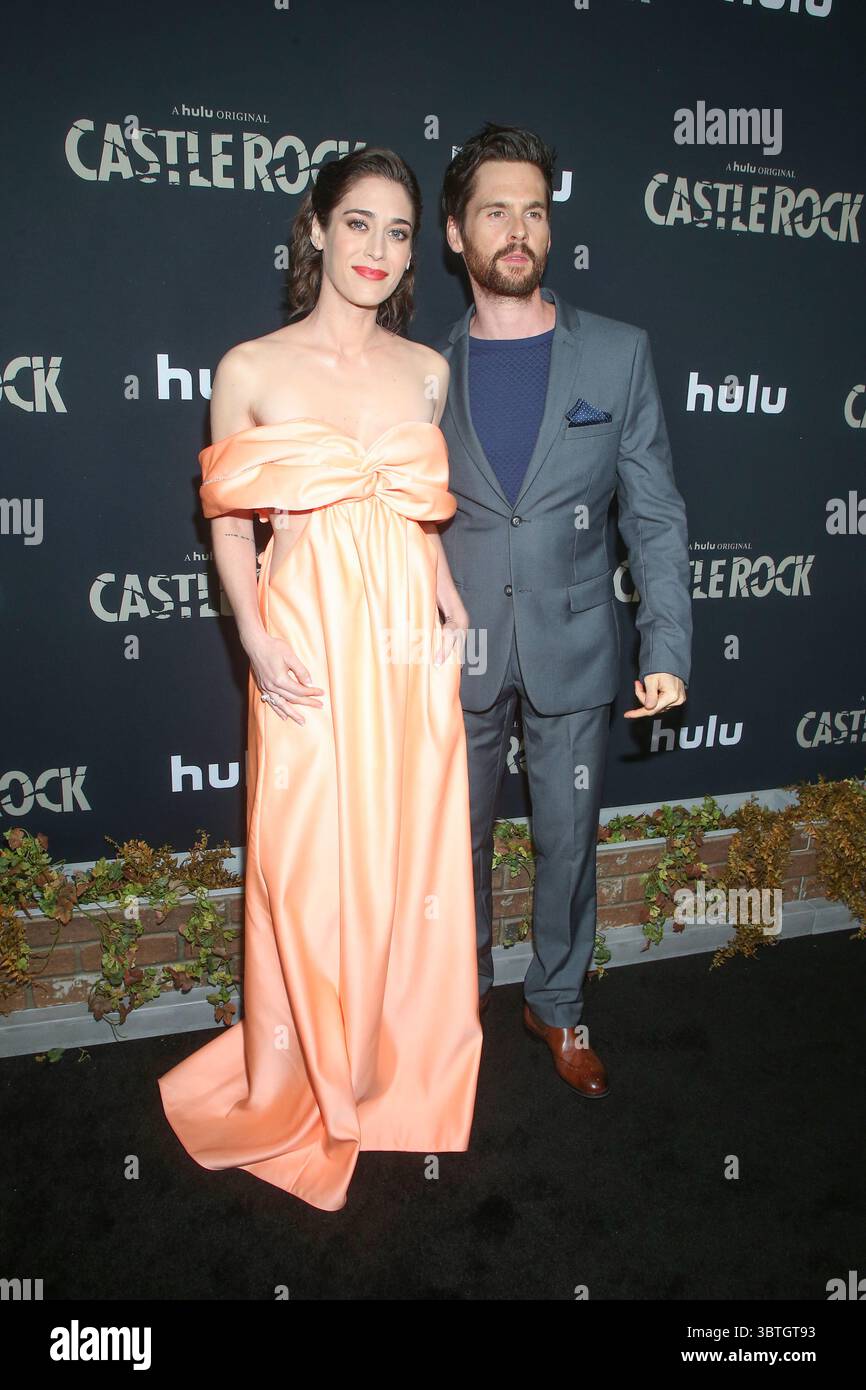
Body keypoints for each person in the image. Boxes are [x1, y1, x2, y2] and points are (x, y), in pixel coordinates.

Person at [157, 148, 482, 1212]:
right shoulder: (248, 367)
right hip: (301, 631)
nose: (378, 250)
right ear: (316, 229)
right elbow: (230, 526)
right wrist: (249, 633)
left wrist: (448, 605)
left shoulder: (426, 369)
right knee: (305, 860)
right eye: (358, 225)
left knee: (398, 846)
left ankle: (385, 1069)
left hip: (398, 633)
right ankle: (303, 1075)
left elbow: (414, 508)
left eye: (397, 232)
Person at [431, 123, 693, 1096]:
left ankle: (557, 1005)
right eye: (494, 209)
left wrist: (665, 640)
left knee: (565, 842)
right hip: (449, 649)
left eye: (533, 209)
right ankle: (452, 1001)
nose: (516, 227)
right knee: (446, 843)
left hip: (577, 641)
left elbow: (656, 514)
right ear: (455, 234)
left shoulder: (615, 357)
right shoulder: (419, 370)